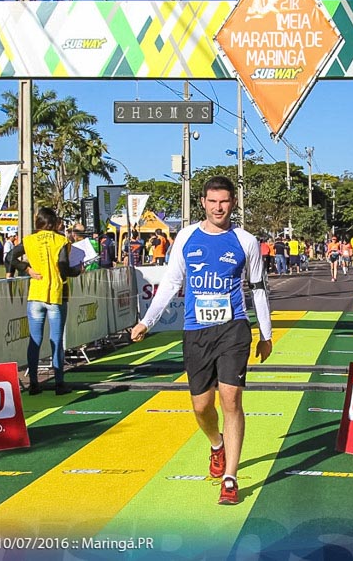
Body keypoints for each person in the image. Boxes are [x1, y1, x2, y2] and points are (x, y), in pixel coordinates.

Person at [129, 176, 273, 506]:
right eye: (212, 201)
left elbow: (258, 289)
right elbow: (170, 283)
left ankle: (231, 478)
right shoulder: (186, 237)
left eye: (224, 201)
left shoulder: (245, 240)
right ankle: (216, 444)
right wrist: (146, 322)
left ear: (233, 203)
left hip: (233, 329)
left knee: (231, 400)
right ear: (203, 203)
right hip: (196, 331)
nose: (218, 207)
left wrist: (266, 334)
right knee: (201, 406)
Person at [8, 207, 83, 396]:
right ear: (52, 223)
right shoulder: (61, 240)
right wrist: (78, 270)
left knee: (35, 340)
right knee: (56, 340)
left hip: (35, 295)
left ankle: (33, 383)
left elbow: (9, 257)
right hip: (56, 294)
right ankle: (59, 383)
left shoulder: (29, 240)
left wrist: (27, 269)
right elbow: (64, 268)